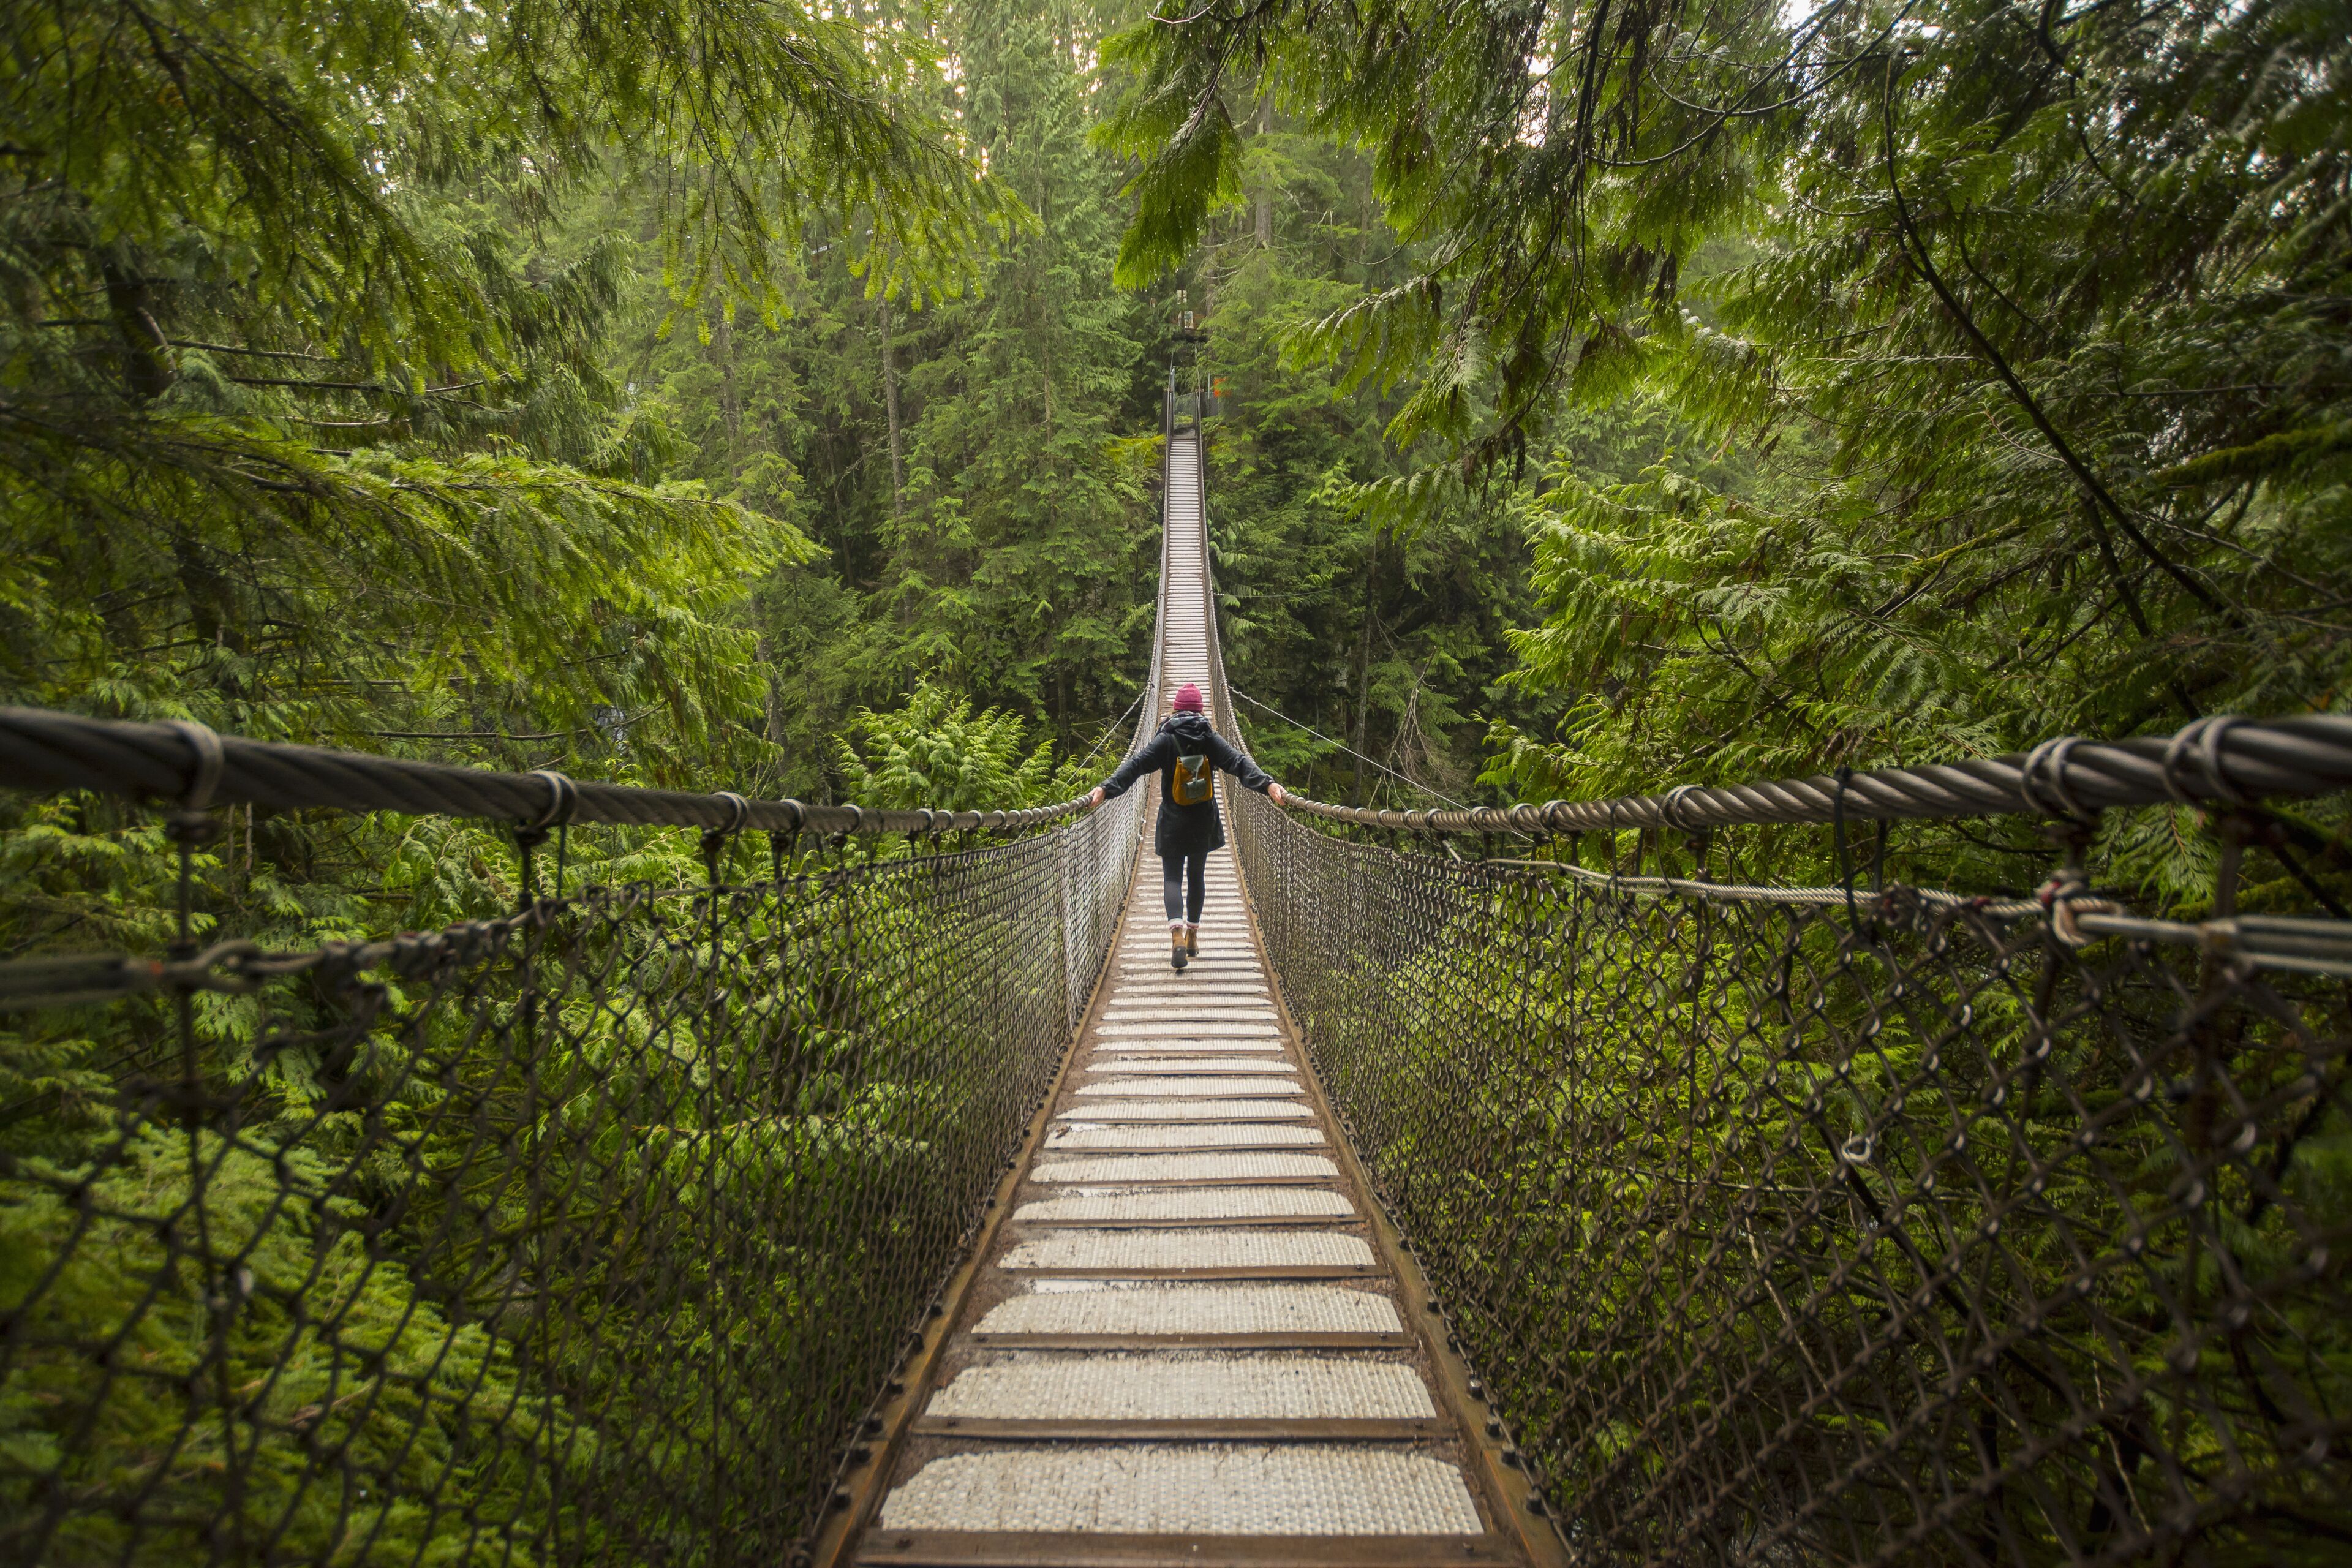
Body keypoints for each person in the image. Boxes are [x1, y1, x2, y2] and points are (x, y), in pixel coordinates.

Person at [1087, 682, 1287, 970]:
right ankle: (1193, 934)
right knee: (1196, 876)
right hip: (1203, 819)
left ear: (1176, 709)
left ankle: (1177, 936)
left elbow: (1137, 764)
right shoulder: (1208, 736)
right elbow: (1237, 762)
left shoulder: (1166, 738)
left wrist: (1106, 789)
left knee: (1172, 879)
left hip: (1173, 819)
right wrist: (1268, 784)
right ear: (1200, 710)